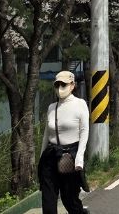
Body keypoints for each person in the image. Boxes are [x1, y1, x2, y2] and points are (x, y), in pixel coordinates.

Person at [38, 71, 90, 214]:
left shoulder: (80, 104)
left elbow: (84, 131)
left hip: (69, 156)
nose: (60, 88)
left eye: (63, 84)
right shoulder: (51, 107)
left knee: (70, 200)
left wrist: (79, 157)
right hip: (50, 156)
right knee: (48, 201)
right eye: (57, 85)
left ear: (72, 85)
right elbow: (47, 134)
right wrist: (41, 157)